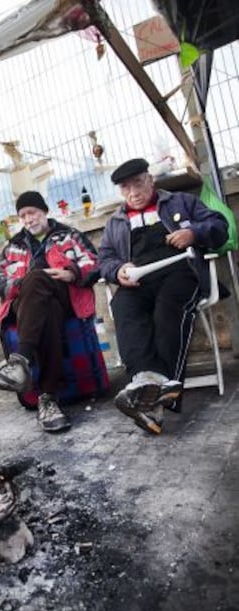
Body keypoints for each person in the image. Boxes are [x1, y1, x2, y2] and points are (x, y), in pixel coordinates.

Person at [98, 158, 228, 435]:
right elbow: (105, 259)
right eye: (126, 187)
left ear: (151, 180)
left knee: (168, 308)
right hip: (140, 281)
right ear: (121, 191)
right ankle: (148, 387)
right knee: (123, 306)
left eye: (138, 183)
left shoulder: (181, 202)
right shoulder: (116, 223)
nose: (133, 191)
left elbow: (218, 226)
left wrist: (193, 233)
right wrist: (118, 269)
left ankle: (151, 396)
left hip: (182, 273)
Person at [0, 190, 99, 433]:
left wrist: (71, 273)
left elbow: (94, 263)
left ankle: (20, 364)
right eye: (22, 215)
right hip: (24, 302)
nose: (28, 219)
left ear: (44, 211)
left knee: (44, 293)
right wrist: (18, 284)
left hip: (65, 293)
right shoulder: (13, 245)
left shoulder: (69, 235)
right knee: (42, 296)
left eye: (32, 212)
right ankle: (48, 397)